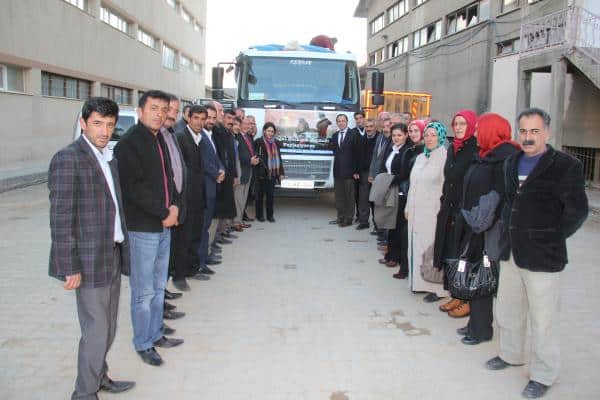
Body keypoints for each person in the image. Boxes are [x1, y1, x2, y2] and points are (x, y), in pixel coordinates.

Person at [485, 108, 588, 399]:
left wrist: (551, 237)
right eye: (524, 131)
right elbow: (509, 202)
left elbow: (577, 211)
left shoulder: (566, 166)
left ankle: (543, 374)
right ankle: (510, 354)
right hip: (512, 251)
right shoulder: (510, 162)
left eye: (534, 131)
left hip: (544, 257)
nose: (528, 137)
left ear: (547, 132)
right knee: (508, 310)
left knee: (543, 319)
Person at [49, 97, 135, 399]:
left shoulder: (106, 157)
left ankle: (99, 375)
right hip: (87, 260)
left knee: (108, 325)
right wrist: (68, 266)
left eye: (110, 125)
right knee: (97, 330)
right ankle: (84, 393)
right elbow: (61, 218)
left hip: (111, 253)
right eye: (98, 123)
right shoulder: (68, 158)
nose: (105, 130)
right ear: (83, 123)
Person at [114, 90, 184, 367]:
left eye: (163, 109)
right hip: (144, 228)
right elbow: (133, 190)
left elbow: (170, 179)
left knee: (158, 285)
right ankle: (143, 342)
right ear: (140, 111)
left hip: (165, 224)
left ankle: (155, 333)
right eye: (153, 108)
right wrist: (164, 212)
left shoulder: (160, 140)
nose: (159, 113)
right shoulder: (129, 144)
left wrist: (175, 207)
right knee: (143, 292)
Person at [455, 113, 520, 346]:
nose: (475, 132)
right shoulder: (484, 155)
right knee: (476, 273)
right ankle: (476, 324)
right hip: (476, 224)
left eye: (479, 128)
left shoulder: (506, 158)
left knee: (485, 276)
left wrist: (484, 220)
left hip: (491, 228)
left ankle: (481, 330)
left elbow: (502, 196)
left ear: (490, 131)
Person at [434, 109, 479, 309]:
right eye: (456, 124)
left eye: (463, 124)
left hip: (464, 209)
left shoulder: (474, 149)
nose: (459, 128)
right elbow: (449, 179)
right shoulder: (453, 148)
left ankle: (464, 298)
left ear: (471, 126)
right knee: (449, 251)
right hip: (449, 207)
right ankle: (455, 293)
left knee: (462, 254)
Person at [406, 122, 450, 295]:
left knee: (430, 249)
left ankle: (435, 287)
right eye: (427, 135)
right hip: (416, 211)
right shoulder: (420, 157)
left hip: (433, 212)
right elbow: (412, 184)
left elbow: (445, 187)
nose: (429, 139)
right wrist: (408, 206)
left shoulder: (445, 157)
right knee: (416, 246)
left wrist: (441, 212)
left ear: (441, 136)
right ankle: (417, 283)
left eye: (433, 135)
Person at [173, 105, 210, 291]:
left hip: (198, 197)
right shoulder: (180, 137)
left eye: (203, 119)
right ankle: (179, 276)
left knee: (195, 235)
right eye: (196, 118)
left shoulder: (200, 138)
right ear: (188, 118)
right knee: (183, 239)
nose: (200, 122)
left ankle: (192, 269)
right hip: (185, 199)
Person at [161, 94, 187, 319]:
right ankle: (157, 312)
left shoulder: (170, 134)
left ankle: (162, 297)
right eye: (168, 109)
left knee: (164, 261)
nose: (172, 114)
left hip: (174, 206)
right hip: (159, 213)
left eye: (175, 110)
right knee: (154, 268)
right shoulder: (152, 137)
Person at [377, 123, 413, 276]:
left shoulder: (407, 151)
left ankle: (396, 257)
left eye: (399, 135)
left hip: (399, 191)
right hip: (389, 189)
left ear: (406, 135)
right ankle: (389, 254)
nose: (396, 138)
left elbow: (405, 173)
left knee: (398, 225)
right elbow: (385, 167)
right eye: (394, 135)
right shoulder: (392, 149)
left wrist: (388, 181)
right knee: (390, 223)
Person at [197, 105, 225, 278]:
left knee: (206, 227)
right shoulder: (199, 137)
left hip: (213, 187)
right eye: (209, 117)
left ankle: (204, 257)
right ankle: (199, 263)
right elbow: (204, 162)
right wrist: (216, 173)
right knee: (202, 228)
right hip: (205, 189)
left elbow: (216, 158)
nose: (211, 121)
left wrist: (221, 169)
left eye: (214, 118)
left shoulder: (209, 136)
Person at [329, 114, 361, 227]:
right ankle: (340, 217)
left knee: (349, 196)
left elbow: (358, 154)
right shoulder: (334, 135)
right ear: (337, 123)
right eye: (339, 121)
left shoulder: (354, 134)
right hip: (338, 171)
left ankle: (348, 219)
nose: (341, 123)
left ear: (347, 122)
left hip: (350, 172)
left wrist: (356, 171)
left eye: (343, 121)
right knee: (339, 196)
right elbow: (335, 152)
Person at [254, 122, 284, 222]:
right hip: (262, 173)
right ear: (264, 131)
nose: (270, 133)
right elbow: (256, 157)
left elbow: (279, 159)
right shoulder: (258, 142)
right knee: (260, 195)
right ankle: (259, 215)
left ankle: (270, 215)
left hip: (272, 174)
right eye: (268, 131)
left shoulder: (276, 143)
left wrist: (281, 173)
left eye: (272, 131)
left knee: (270, 196)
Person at [233, 117, 259, 231]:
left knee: (243, 199)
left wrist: (255, 159)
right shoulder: (237, 136)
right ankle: (235, 222)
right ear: (241, 124)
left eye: (251, 124)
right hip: (241, 172)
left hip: (248, 171)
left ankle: (240, 220)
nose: (250, 126)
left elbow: (250, 151)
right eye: (247, 123)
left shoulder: (248, 136)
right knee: (238, 198)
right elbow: (237, 155)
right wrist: (249, 160)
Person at [356, 118, 379, 230]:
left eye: (371, 126)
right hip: (364, 173)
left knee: (375, 199)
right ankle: (364, 222)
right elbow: (358, 156)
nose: (369, 129)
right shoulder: (362, 139)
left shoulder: (380, 138)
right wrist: (357, 171)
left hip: (376, 173)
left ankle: (377, 224)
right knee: (363, 198)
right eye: (367, 127)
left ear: (375, 127)